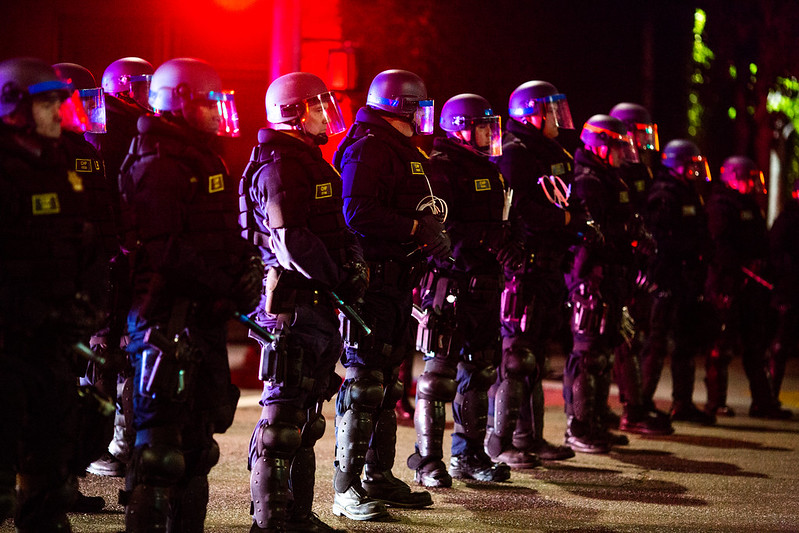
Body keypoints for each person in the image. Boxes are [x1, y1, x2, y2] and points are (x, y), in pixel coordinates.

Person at [118, 57, 262, 532]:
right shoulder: (158, 161)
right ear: (178, 103)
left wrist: (245, 267)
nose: (217, 113)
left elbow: (220, 233)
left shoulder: (203, 155)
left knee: (198, 449)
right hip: (165, 320)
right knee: (160, 453)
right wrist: (224, 283)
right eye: (208, 103)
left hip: (202, 319)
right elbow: (166, 249)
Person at [240, 71, 364, 532]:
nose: (327, 116)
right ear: (293, 113)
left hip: (316, 302)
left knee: (307, 420)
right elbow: (291, 241)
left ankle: (298, 516)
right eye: (318, 107)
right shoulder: (280, 165)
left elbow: (334, 228)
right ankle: (271, 521)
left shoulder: (307, 160)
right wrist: (339, 278)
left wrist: (354, 263)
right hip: (291, 306)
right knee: (282, 422)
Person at [331, 68, 448, 521]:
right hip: (373, 284)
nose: (423, 116)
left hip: (398, 281)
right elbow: (356, 212)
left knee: (387, 385)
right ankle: (346, 488)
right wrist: (415, 228)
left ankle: (378, 475)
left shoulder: (399, 147)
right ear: (401, 107)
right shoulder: (370, 147)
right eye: (418, 107)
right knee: (364, 384)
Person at [0, 56, 105, 532]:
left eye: (61, 103)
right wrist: (33, 310)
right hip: (8, 346)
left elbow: (89, 243)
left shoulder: (63, 165)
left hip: (51, 348)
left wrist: (86, 304)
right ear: (14, 107)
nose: (59, 113)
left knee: (50, 482)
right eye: (47, 104)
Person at [408, 93, 513, 488]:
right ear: (461, 129)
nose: (489, 133)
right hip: (450, 284)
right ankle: (428, 461)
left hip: (485, 284)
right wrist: (486, 239)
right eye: (483, 126)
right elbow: (442, 229)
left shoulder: (491, 169)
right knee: (438, 376)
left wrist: (511, 242)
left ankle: (468, 455)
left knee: (481, 370)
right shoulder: (441, 169)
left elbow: (504, 219)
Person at [488, 80, 579, 466]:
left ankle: (530, 438)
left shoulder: (550, 151)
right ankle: (500, 442)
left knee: (534, 359)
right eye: (551, 111)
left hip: (548, 267)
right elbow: (520, 211)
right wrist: (565, 220)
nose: (558, 118)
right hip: (523, 269)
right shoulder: (515, 152)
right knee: (515, 358)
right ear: (531, 115)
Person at [85, 56, 155, 479]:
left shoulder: (134, 127)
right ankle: (98, 445)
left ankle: (117, 442)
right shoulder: (110, 129)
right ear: (126, 87)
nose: (150, 94)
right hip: (118, 254)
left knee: (122, 348)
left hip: (127, 251)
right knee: (107, 347)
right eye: (143, 85)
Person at [564, 114, 641, 453]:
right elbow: (591, 231)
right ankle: (578, 426)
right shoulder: (588, 179)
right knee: (588, 354)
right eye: (619, 146)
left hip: (610, 274)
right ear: (601, 145)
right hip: (590, 276)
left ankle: (595, 421)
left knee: (605, 353)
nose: (625, 153)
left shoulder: (609, 177)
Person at [704, 156, 791, 419]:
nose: (753, 185)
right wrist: (739, 265)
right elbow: (719, 246)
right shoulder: (721, 205)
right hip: (727, 285)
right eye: (749, 179)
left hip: (751, 288)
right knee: (721, 346)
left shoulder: (751, 206)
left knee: (756, 346)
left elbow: (763, 243)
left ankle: (763, 402)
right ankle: (715, 402)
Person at [607, 103, 672, 435]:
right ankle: (631, 409)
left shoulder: (641, 171)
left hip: (639, 262)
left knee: (633, 336)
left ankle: (634, 405)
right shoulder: (612, 170)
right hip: (619, 264)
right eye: (640, 133)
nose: (644, 142)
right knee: (622, 338)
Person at [642, 139, 715, 425]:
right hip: (666, 277)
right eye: (691, 165)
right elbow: (659, 238)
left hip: (686, 279)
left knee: (685, 341)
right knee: (657, 341)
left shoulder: (689, 193)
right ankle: (641, 403)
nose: (696, 171)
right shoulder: (664, 193)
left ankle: (682, 403)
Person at [768, 178, 799, 407]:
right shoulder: (788, 219)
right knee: (780, 344)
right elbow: (775, 253)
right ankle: (770, 396)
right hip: (789, 289)